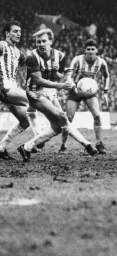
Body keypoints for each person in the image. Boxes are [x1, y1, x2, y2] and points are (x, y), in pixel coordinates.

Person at [17, 29, 98, 162]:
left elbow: (58, 76)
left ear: (50, 41)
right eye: (38, 42)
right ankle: (87, 145)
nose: (41, 44)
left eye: (44, 41)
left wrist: (56, 71)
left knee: (57, 126)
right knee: (62, 117)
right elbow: (38, 80)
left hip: (50, 92)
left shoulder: (60, 55)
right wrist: (61, 86)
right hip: (35, 93)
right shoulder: (31, 57)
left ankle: (27, 147)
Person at [59, 39, 109, 154]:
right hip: (75, 90)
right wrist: (73, 86)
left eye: (93, 49)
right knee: (69, 118)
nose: (90, 52)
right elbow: (69, 76)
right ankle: (64, 144)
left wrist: (105, 92)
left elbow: (107, 76)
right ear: (85, 51)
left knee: (97, 116)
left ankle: (99, 143)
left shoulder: (101, 62)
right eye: (88, 49)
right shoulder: (77, 60)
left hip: (90, 92)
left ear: (96, 50)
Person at [0, 21, 40, 160]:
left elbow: (30, 61)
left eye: (20, 31)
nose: (19, 34)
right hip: (5, 87)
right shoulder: (2, 45)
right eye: (15, 31)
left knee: (24, 121)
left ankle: (1, 148)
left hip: (11, 88)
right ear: (7, 33)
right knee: (36, 99)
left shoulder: (17, 51)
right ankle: (39, 140)